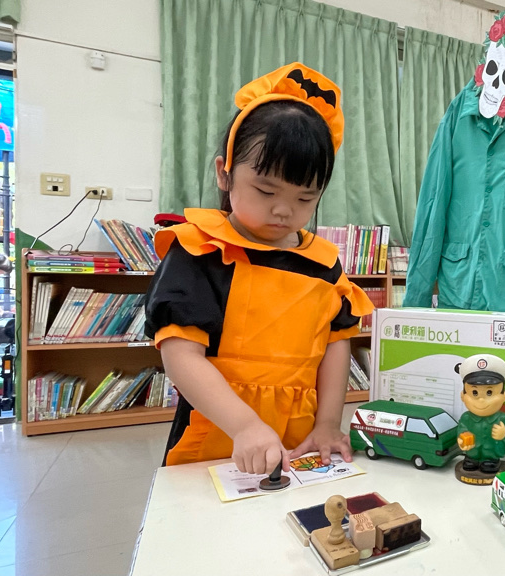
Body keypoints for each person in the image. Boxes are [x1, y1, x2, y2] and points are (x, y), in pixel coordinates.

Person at [145, 63, 373, 474]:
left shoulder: (323, 263)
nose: (284, 210)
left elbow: (335, 344)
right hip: (220, 433)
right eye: (266, 191)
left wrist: (327, 423)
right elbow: (180, 355)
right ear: (225, 174)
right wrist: (245, 426)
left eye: (305, 198)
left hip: (301, 440)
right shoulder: (201, 250)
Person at [455, 354, 505, 475]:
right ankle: (471, 459)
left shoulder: (501, 418)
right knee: (470, 462)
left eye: (489, 392)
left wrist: (503, 433)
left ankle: (490, 461)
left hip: (491, 452)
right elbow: (462, 429)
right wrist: (461, 439)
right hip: (472, 451)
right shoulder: (466, 417)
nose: (481, 400)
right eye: (474, 393)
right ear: (463, 396)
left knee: (489, 464)